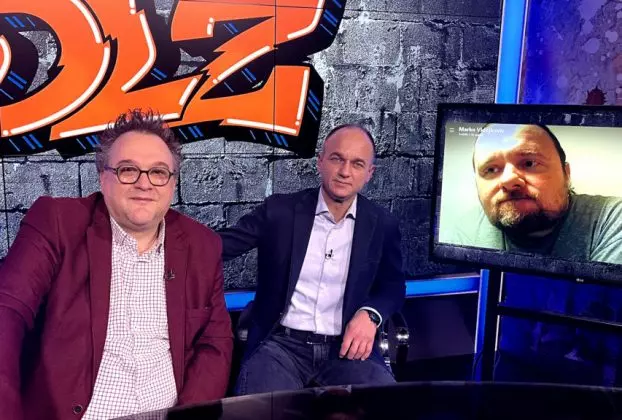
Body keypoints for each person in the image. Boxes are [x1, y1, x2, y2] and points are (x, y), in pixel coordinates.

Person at [0, 110, 233, 420]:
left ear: (172, 183)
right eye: (128, 170)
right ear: (102, 177)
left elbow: (214, 343)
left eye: (158, 172)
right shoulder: (57, 223)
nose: (144, 183)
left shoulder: (202, 245)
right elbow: (7, 310)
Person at [219, 124, 405, 395]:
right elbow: (219, 246)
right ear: (320, 161)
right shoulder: (280, 211)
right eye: (337, 159)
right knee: (257, 410)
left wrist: (371, 315)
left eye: (357, 164)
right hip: (280, 345)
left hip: (346, 348)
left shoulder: (382, 224)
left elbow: (393, 287)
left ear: (369, 173)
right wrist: (165, 234)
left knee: (392, 407)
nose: (345, 172)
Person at [445, 123, 622, 263]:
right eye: (491, 169)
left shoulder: (611, 218)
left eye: (529, 163)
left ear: (566, 174)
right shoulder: (466, 230)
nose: (508, 180)